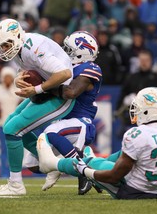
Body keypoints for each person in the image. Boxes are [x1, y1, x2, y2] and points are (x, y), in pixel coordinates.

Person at [37, 87, 157, 199]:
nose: (135, 111)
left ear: (149, 111)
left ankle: (53, 164)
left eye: (139, 108)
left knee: (88, 163)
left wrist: (85, 171)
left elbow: (113, 177)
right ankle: (91, 158)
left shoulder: (138, 135)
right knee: (125, 155)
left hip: (132, 191)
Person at [0, 18, 75, 196]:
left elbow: (65, 73)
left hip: (61, 94)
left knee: (12, 129)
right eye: (1, 46)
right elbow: (30, 70)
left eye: (6, 44)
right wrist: (17, 78)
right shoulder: (21, 47)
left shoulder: (33, 47)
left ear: (18, 35)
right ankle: (51, 164)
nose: (4, 50)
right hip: (48, 90)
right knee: (11, 123)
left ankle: (16, 185)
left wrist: (36, 89)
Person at [24, 31, 102, 195]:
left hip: (81, 123)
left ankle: (83, 172)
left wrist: (44, 86)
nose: (64, 51)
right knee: (32, 163)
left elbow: (70, 92)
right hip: (63, 123)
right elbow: (42, 97)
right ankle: (83, 160)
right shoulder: (63, 67)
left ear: (81, 51)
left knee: (50, 132)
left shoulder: (90, 68)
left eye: (68, 48)